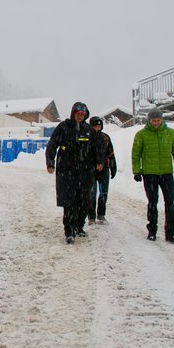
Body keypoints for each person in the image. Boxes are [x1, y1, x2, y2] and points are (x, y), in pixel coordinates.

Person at [46, 102, 104, 244]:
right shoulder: (63, 127)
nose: (79, 116)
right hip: (67, 170)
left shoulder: (89, 130)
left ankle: (79, 226)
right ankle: (69, 231)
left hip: (85, 172)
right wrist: (50, 162)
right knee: (69, 202)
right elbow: (52, 144)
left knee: (85, 201)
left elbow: (98, 147)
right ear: (73, 113)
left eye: (82, 114)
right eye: (77, 114)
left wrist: (99, 161)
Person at [132, 107, 174, 242]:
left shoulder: (170, 133)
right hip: (149, 174)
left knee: (170, 202)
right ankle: (152, 230)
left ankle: (170, 233)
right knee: (152, 202)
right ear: (149, 121)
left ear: (162, 120)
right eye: (153, 120)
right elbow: (135, 154)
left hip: (166, 173)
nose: (156, 123)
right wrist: (137, 171)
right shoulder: (141, 135)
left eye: (158, 120)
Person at [87, 116, 117, 224]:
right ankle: (91, 216)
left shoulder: (106, 138)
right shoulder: (87, 138)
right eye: (95, 126)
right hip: (91, 170)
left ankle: (101, 214)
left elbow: (111, 154)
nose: (97, 128)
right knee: (92, 193)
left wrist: (113, 167)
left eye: (99, 126)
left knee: (103, 192)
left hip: (104, 169)